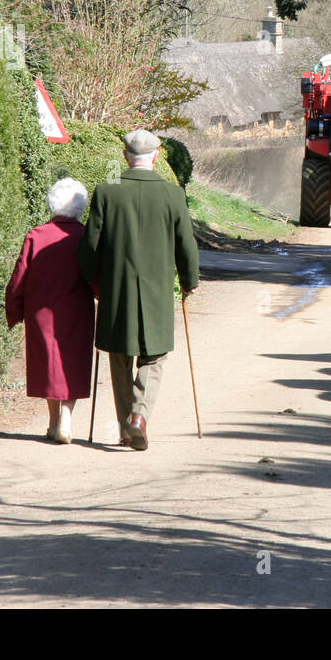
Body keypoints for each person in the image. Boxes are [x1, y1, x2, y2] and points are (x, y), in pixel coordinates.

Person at [77, 129, 201, 451]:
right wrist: (189, 281)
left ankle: (125, 427)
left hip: (115, 292)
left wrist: (91, 279)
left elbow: (90, 245)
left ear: (125, 156)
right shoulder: (173, 195)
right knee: (154, 358)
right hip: (157, 293)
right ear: (156, 157)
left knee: (119, 358)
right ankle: (139, 417)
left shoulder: (107, 191)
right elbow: (186, 246)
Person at [5, 178, 95, 445]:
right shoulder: (86, 237)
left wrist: (14, 308)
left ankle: (53, 421)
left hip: (40, 310)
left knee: (49, 363)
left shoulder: (37, 234)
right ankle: (65, 421)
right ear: (81, 205)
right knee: (72, 363)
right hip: (77, 308)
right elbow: (95, 275)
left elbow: (19, 276)